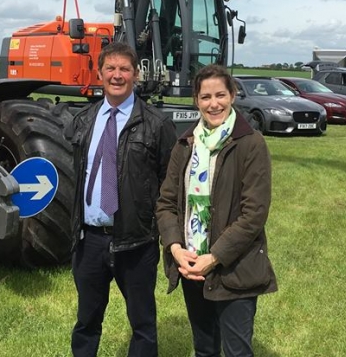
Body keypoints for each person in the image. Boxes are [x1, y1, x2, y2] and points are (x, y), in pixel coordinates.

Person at [156, 64, 277, 357]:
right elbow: (166, 203)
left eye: (220, 95)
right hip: (192, 265)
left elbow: (254, 213)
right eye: (205, 97)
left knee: (237, 352)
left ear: (232, 95)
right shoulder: (185, 144)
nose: (214, 104)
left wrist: (215, 257)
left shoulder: (250, 144)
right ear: (196, 100)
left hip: (234, 267)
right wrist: (175, 248)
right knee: (205, 349)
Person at [67, 42, 177, 357]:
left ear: (136, 75)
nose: (117, 76)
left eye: (124, 69)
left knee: (142, 323)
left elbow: (169, 186)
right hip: (90, 241)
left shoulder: (157, 124)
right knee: (86, 321)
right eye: (111, 69)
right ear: (99, 73)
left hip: (136, 243)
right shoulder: (84, 119)